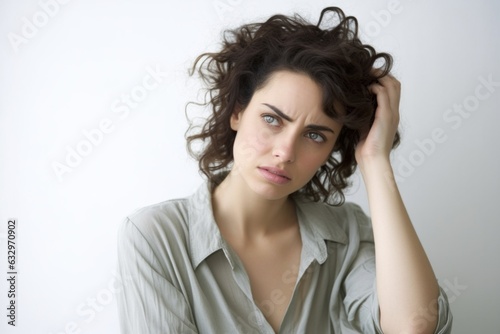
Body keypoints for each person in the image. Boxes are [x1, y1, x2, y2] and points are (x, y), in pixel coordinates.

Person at [116, 6, 453, 333]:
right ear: (237, 112)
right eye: (272, 119)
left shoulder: (347, 234)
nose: (285, 152)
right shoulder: (155, 236)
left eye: (314, 135)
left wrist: (376, 160)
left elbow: (413, 325)